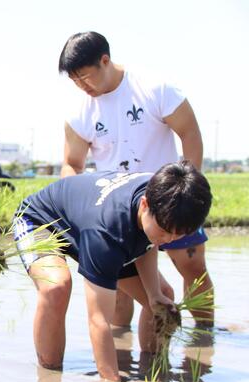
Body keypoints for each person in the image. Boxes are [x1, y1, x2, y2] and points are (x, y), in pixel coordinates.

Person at [58, 31, 212, 327]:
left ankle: (205, 337)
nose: (82, 87)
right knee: (121, 291)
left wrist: (190, 191)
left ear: (105, 61)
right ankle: (122, 352)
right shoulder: (79, 112)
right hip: (123, 210)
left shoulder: (155, 89)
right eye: (74, 81)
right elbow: (72, 165)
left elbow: (189, 132)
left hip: (170, 200)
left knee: (193, 267)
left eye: (86, 78)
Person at [12, 161, 212, 381]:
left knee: (163, 299)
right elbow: (99, 321)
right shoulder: (106, 233)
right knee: (56, 288)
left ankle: (153, 370)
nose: (170, 240)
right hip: (42, 221)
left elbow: (147, 243)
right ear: (145, 205)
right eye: (165, 231)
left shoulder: (167, 197)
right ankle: (49, 379)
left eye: (179, 235)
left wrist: (155, 294)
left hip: (94, 221)